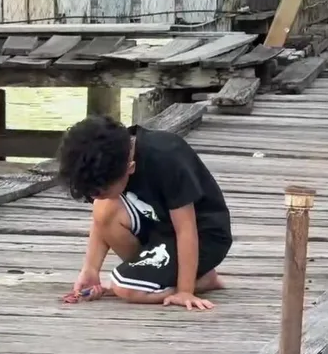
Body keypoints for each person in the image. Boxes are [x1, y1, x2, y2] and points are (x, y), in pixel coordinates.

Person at [57, 116, 232, 310]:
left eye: (101, 191)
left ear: (130, 168)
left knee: (125, 289)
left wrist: (185, 291)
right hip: (159, 226)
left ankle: (198, 281)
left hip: (203, 235)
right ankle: (153, 277)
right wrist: (90, 270)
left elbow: (186, 229)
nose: (94, 197)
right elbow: (102, 218)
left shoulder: (166, 157)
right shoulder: (116, 152)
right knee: (104, 208)